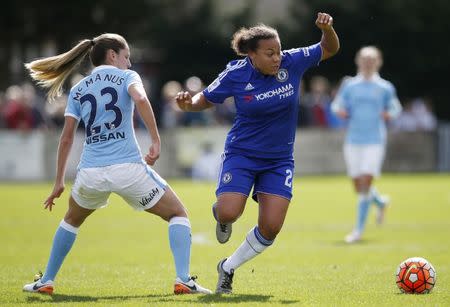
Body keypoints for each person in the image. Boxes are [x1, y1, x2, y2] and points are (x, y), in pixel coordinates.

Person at [22, 33, 211, 295]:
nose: (130, 63)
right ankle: (183, 279)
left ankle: (47, 281)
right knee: (178, 213)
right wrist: (155, 140)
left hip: (90, 173)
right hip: (128, 169)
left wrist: (58, 182)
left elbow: (66, 139)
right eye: (127, 56)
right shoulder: (127, 77)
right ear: (113, 55)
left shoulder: (78, 89)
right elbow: (141, 100)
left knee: (71, 221)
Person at [176, 13, 339, 293]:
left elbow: (329, 48)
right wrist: (188, 105)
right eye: (269, 53)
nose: (277, 58)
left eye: (278, 51)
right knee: (229, 212)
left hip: (279, 160)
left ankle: (227, 268)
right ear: (252, 55)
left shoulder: (292, 61)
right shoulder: (236, 73)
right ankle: (221, 216)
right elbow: (205, 98)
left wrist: (328, 29)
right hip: (242, 154)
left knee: (271, 227)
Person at [331, 46, 402, 243]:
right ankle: (380, 202)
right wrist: (340, 111)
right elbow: (336, 105)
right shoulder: (350, 85)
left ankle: (358, 231)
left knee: (365, 182)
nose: (368, 62)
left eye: (372, 59)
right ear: (358, 61)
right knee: (358, 185)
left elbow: (396, 107)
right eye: (364, 59)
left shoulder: (385, 87)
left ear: (378, 62)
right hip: (353, 140)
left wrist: (390, 114)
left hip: (375, 141)